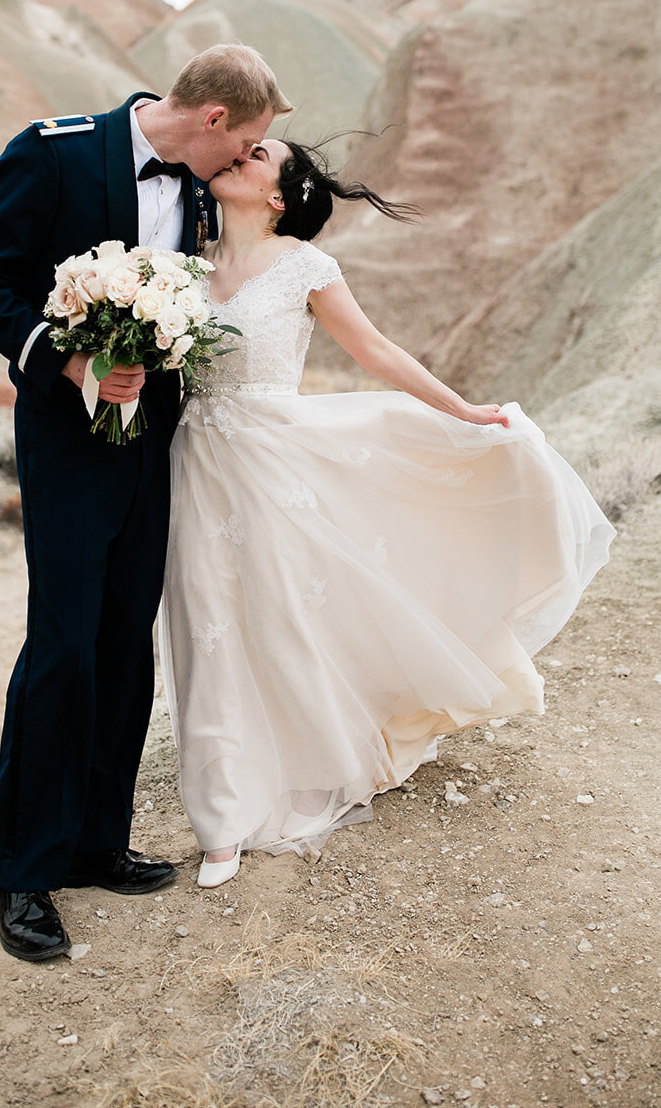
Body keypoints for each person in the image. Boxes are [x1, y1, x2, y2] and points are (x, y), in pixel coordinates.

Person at [160, 139, 615, 887]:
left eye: (258, 154)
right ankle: (221, 818)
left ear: (280, 196)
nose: (237, 154)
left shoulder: (306, 267)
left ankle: (322, 753)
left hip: (278, 463)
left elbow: (373, 350)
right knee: (203, 626)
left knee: (284, 618)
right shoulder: (180, 267)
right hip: (196, 463)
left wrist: (463, 410)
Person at [0, 45, 292, 959]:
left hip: (157, 447)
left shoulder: (205, 188)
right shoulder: (51, 152)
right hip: (67, 443)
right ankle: (22, 873)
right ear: (212, 119)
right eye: (248, 141)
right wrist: (68, 358)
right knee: (61, 644)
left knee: (123, 638)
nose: (244, 162)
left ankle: (96, 841)